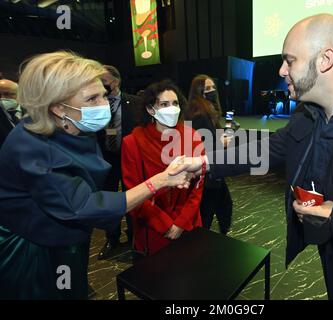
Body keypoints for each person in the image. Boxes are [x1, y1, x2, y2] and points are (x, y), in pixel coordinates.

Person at [172, 14, 333, 299]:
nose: (282, 70)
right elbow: (271, 148)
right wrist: (205, 161)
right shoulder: (307, 114)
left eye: (290, 60)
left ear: (325, 59)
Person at [0, 51, 191, 299]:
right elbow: (83, 205)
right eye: (91, 99)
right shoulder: (30, 147)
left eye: (103, 94)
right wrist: (161, 180)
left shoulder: (74, 127)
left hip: (65, 237)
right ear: (57, 107)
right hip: (32, 248)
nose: (103, 105)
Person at [121, 80, 204, 256]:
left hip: (188, 221)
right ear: (151, 109)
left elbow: (198, 186)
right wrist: (165, 226)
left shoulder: (192, 136)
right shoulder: (132, 142)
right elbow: (133, 191)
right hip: (153, 226)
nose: (172, 108)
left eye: (175, 103)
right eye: (164, 104)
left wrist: (181, 223)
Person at [97, 65, 143, 259]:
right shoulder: (96, 103)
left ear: (115, 81)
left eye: (104, 81)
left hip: (129, 159)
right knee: (108, 201)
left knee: (132, 198)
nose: (101, 85)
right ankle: (112, 238)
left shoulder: (136, 103)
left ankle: (134, 237)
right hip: (106, 159)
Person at [184, 74, 233, 234]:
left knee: (223, 206)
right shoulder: (199, 114)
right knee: (209, 210)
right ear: (199, 91)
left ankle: (216, 238)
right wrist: (222, 142)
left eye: (213, 88)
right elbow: (199, 144)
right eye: (207, 88)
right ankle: (201, 244)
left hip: (212, 168)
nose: (212, 91)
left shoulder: (205, 109)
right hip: (206, 170)